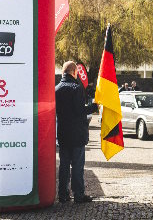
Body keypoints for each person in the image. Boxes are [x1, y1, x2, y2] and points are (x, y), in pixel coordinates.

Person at [55, 61, 98, 203]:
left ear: (63, 72)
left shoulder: (56, 89)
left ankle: (63, 195)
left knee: (64, 166)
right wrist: (93, 107)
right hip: (77, 135)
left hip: (62, 134)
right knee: (77, 166)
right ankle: (78, 195)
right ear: (74, 72)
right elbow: (80, 112)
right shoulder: (76, 88)